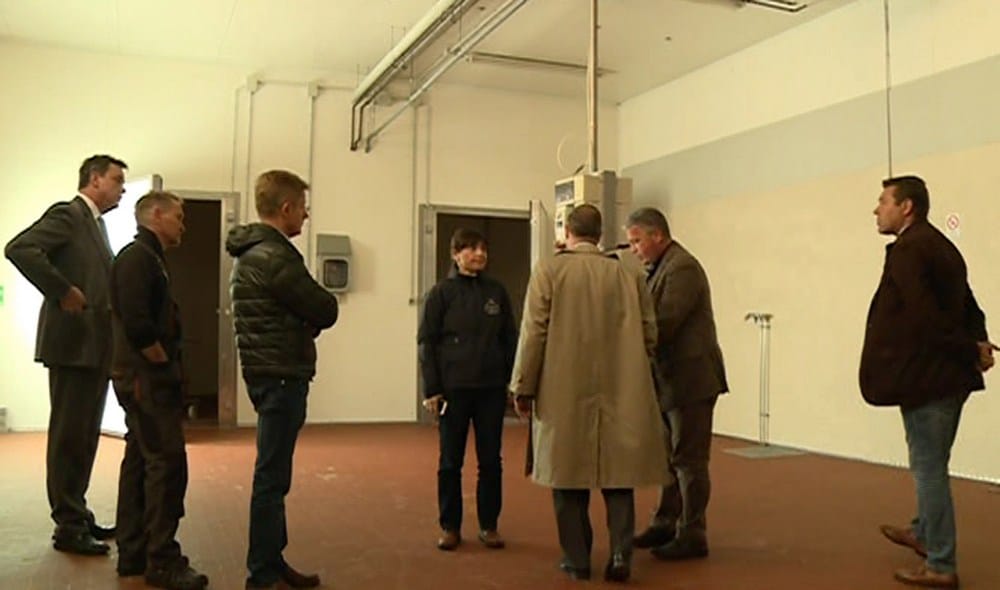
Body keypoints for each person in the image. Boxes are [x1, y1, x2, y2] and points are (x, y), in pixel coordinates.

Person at [510, 204, 667, 583]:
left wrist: (523, 386)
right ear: (600, 234)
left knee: (567, 477)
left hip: (562, 388)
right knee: (619, 474)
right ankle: (620, 554)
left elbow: (534, 333)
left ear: (567, 232)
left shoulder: (549, 271)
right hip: (621, 384)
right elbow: (650, 332)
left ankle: (577, 558)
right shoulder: (629, 273)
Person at [860, 175, 994, 589]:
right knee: (930, 461)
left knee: (929, 469)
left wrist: (971, 349)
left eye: (883, 201)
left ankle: (940, 563)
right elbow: (970, 307)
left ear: (907, 207)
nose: (876, 209)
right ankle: (923, 531)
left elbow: (925, 318)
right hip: (946, 378)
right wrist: (978, 343)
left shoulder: (909, 250)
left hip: (929, 378)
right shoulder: (941, 246)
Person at [5, 154, 126, 555]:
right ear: (94, 179)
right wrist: (62, 290)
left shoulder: (95, 223)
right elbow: (20, 248)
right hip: (73, 344)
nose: (122, 189)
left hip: (92, 345)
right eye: (116, 180)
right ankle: (67, 524)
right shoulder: (69, 215)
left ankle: (76, 510)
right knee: (69, 436)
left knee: (84, 435)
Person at [227, 169, 339, 590]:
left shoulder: (251, 252)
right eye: (303, 207)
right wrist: (306, 322)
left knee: (273, 475)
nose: (306, 215)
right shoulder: (275, 256)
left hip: (266, 372)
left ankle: (272, 561)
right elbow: (325, 308)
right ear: (287, 207)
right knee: (272, 478)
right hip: (281, 375)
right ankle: (262, 572)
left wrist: (301, 320)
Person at [109, 191, 208, 590]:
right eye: (178, 217)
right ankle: (162, 559)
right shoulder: (137, 259)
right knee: (166, 465)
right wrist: (162, 362)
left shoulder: (148, 258)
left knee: (140, 461)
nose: (183, 225)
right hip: (145, 379)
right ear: (155, 214)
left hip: (142, 377)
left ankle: (134, 553)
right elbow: (138, 325)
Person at [624, 207, 729, 560]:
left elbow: (665, 322)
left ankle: (692, 532)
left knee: (689, 459)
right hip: (671, 380)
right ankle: (665, 522)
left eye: (636, 241)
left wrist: (627, 338)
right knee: (670, 458)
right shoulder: (659, 267)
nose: (634, 249)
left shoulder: (682, 267)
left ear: (657, 235)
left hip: (691, 380)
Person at [417, 228, 517, 551]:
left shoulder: (496, 292)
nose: (479, 254)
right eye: (471, 249)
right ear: (455, 254)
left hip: (491, 389)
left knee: (491, 461)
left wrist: (514, 383)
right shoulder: (440, 294)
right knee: (450, 461)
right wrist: (432, 389)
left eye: (483, 249)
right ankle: (450, 527)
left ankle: (489, 526)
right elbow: (427, 343)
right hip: (453, 390)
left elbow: (510, 339)